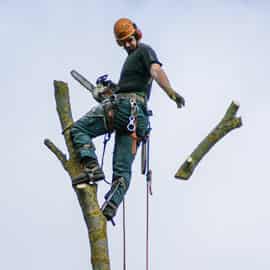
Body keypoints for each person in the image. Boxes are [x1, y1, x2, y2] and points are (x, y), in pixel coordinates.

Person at [70, 18, 185, 221]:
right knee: (122, 171)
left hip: (126, 110)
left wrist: (171, 93)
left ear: (137, 35)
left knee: (78, 130)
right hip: (137, 118)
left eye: (130, 40)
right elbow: (129, 89)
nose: (128, 45)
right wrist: (110, 91)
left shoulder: (144, 51)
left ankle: (91, 167)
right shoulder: (132, 60)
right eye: (123, 42)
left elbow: (156, 70)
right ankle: (110, 206)